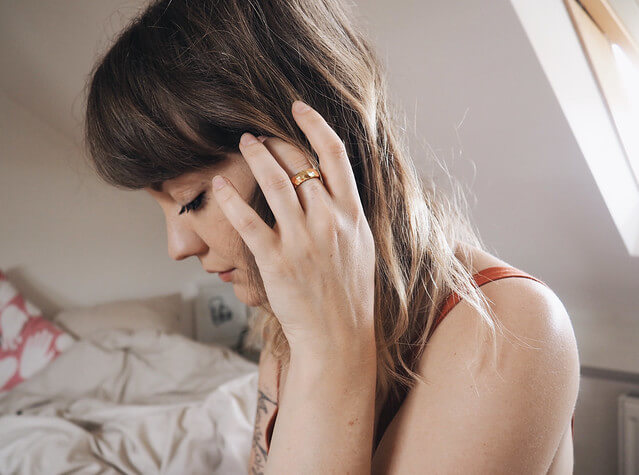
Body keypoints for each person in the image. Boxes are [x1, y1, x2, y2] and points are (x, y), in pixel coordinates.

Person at [83, 0, 580, 473]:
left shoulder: (509, 328)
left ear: (302, 151)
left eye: (191, 199)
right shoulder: (282, 329)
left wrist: (329, 352)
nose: (178, 246)